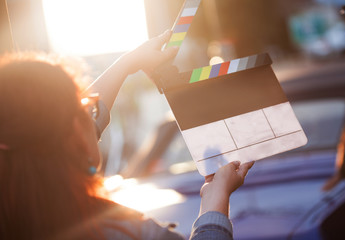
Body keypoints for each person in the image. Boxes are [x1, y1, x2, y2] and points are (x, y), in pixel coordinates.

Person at [0, 30, 254, 240]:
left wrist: (129, 62)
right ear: (77, 132)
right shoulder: (122, 232)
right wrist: (215, 199)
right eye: (86, 107)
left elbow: (44, 132)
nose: (93, 115)